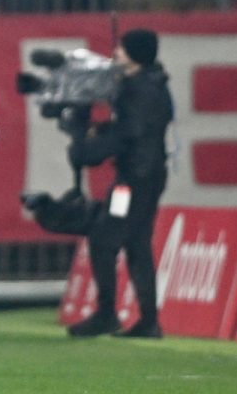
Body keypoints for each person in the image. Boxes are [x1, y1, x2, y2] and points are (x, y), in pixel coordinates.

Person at [66, 29, 173, 338]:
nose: (116, 53)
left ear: (136, 55)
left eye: (122, 49)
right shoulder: (150, 85)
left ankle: (107, 313)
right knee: (137, 244)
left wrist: (90, 149)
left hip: (135, 180)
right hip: (143, 175)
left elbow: (129, 134)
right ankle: (148, 321)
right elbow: (131, 129)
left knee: (103, 239)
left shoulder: (139, 90)